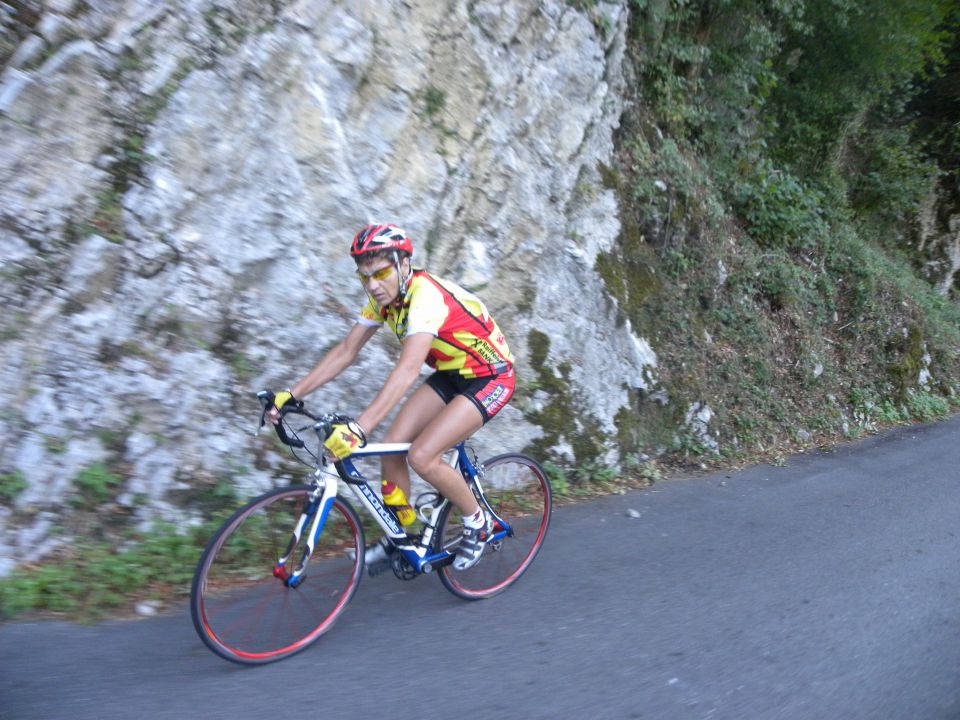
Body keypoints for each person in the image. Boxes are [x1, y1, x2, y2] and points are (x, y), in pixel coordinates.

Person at [268, 223, 515, 571]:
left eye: (381, 273)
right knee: (392, 449)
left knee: (423, 455)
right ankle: (402, 536)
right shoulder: (382, 299)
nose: (372, 285)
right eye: (364, 276)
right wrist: (290, 394)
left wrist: (359, 427)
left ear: (403, 264)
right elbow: (346, 350)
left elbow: (408, 369)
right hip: (453, 374)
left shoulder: (425, 297)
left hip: (491, 377)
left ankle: (479, 522)